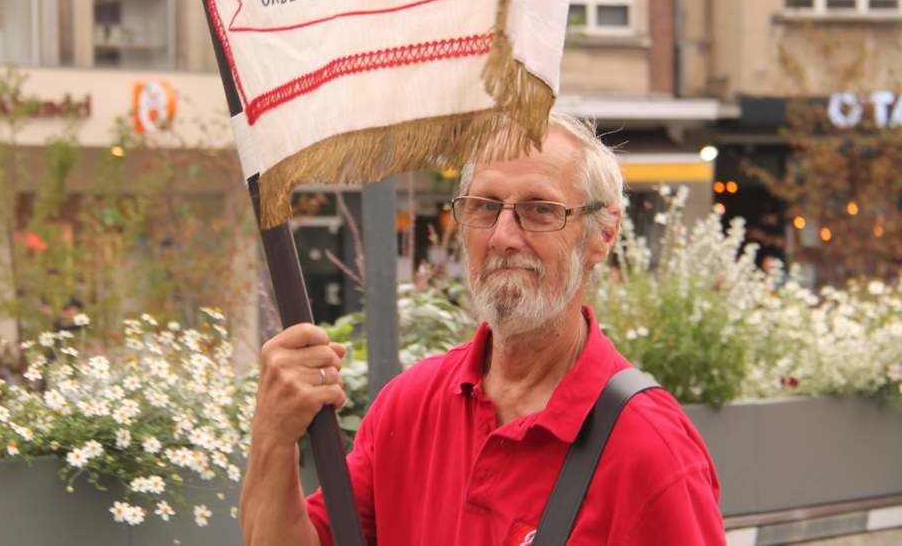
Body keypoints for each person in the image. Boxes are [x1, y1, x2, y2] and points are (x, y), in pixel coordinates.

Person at [240, 112, 725, 545]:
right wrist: (273, 435)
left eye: (541, 210)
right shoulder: (408, 409)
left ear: (603, 233)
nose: (503, 236)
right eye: (484, 206)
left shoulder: (649, 449)